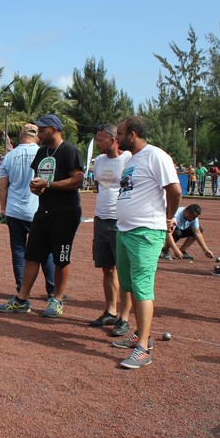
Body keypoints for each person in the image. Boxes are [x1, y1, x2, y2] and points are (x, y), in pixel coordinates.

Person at [0, 114, 84, 317]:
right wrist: (36, 188)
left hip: (66, 212)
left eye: (42, 130)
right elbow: (39, 179)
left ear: (54, 129)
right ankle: (22, 300)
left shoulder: (69, 150)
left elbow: (78, 180)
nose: (39, 133)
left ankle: (56, 300)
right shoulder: (42, 152)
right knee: (32, 255)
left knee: (61, 257)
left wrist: (49, 185)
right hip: (42, 210)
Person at [111, 115, 181, 369]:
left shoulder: (156, 156)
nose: (116, 138)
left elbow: (174, 190)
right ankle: (144, 336)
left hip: (145, 232)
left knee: (142, 287)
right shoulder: (132, 159)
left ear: (132, 134)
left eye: (119, 134)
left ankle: (142, 349)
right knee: (128, 284)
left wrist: (169, 217)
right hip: (125, 231)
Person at [0, 124, 57, 313]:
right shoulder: (45, 153)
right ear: (37, 136)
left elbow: (2, 185)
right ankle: (53, 292)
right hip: (39, 209)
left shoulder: (9, 156)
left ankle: (22, 294)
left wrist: (3, 209)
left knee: (19, 252)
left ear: (20, 136)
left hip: (15, 210)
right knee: (46, 252)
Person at [88, 124, 133, 337]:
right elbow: (100, 187)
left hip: (120, 221)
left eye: (101, 140)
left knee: (124, 271)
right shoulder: (99, 161)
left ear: (114, 139)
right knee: (107, 269)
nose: (97, 143)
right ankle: (111, 311)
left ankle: (124, 318)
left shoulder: (128, 159)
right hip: (100, 218)